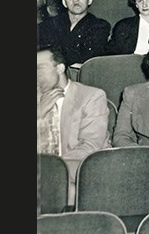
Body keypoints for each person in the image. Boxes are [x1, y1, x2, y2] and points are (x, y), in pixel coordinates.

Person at [37, 45, 109, 201]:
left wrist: (53, 170)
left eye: (40, 69)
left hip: (79, 171)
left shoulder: (91, 96)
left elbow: (90, 146)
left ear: (60, 68)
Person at [38, 0, 111, 67]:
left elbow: (89, 59)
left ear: (89, 0)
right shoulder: (50, 24)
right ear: (64, 3)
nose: (75, 0)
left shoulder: (100, 26)